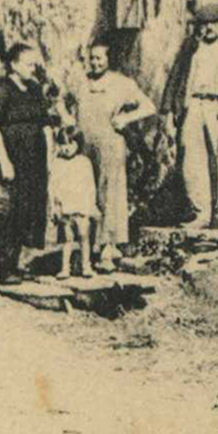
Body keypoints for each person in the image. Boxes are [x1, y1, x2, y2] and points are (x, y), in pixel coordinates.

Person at [0, 41, 53, 282]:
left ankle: (16, 263)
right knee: (5, 211)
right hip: (9, 160)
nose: (33, 68)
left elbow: (45, 124)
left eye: (34, 63)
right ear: (14, 64)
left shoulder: (34, 89)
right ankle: (5, 268)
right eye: (29, 63)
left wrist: (49, 159)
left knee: (25, 209)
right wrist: (5, 162)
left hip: (33, 161)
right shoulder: (1, 89)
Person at [75, 41, 156, 271]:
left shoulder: (122, 83)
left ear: (109, 60)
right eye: (92, 58)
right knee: (87, 196)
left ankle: (108, 250)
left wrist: (126, 119)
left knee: (110, 196)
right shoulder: (81, 83)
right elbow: (62, 102)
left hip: (111, 145)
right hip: (85, 148)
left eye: (100, 58)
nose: (95, 62)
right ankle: (86, 249)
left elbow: (149, 106)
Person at [172, 11, 218, 228]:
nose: (209, 28)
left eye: (214, 22)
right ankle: (200, 214)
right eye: (205, 23)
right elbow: (176, 77)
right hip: (194, 105)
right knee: (191, 161)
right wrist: (168, 111)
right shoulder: (191, 46)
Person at [48, 103, 99, 278]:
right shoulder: (57, 163)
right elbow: (52, 186)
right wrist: (54, 207)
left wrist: (92, 205)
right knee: (67, 239)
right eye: (62, 144)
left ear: (78, 144)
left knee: (84, 236)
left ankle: (86, 265)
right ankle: (65, 268)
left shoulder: (84, 163)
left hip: (82, 206)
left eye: (70, 144)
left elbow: (90, 186)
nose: (66, 148)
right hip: (65, 207)